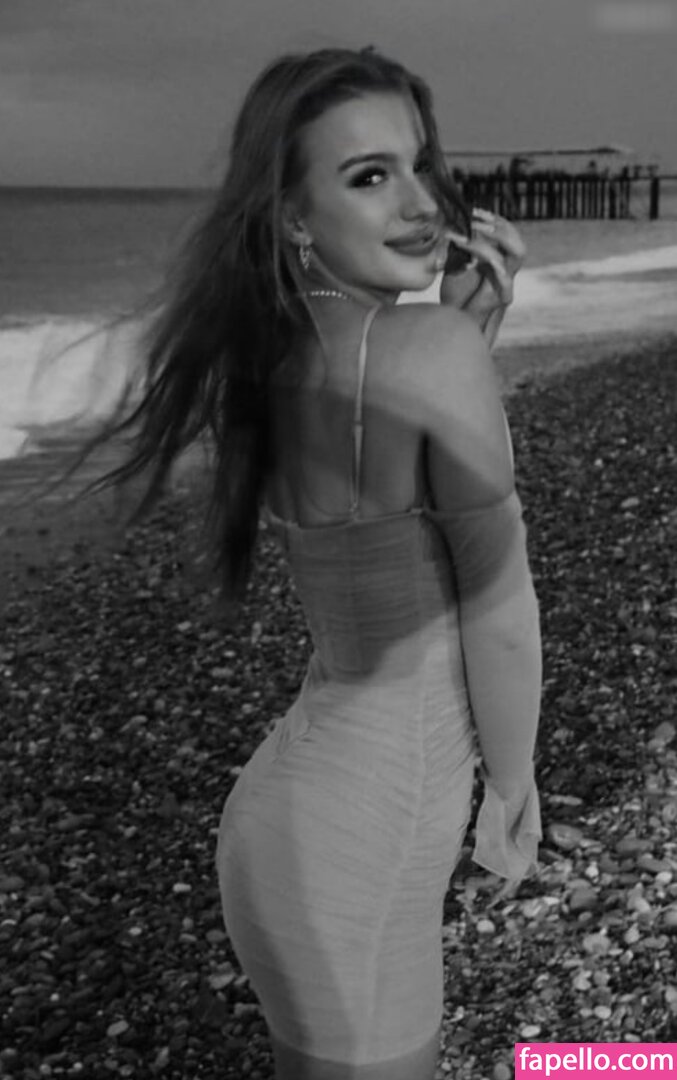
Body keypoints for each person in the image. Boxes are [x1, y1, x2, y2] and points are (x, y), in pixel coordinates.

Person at [65, 46, 541, 1080]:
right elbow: (499, 612)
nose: (420, 202)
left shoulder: (272, 360)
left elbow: (383, 475)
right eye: (368, 176)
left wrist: (467, 328)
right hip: (367, 836)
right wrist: (513, 788)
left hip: (293, 818)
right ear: (291, 216)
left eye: (420, 164)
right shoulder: (426, 353)